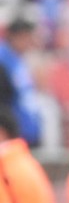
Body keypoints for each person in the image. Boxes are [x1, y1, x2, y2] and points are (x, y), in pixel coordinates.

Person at [0, 17, 42, 147]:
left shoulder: (18, 59)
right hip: (12, 135)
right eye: (26, 36)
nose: (29, 41)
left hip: (26, 134)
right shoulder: (3, 60)